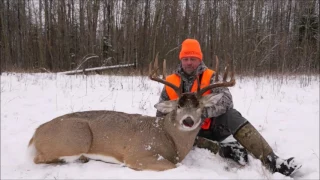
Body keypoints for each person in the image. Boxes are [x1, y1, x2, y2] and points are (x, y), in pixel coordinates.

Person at [155, 38, 301, 176]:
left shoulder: (211, 76)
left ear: (200, 59)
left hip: (211, 127)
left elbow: (226, 101)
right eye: (185, 59)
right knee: (177, 134)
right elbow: (161, 110)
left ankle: (273, 161)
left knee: (232, 115)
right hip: (187, 132)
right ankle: (225, 150)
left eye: (193, 59)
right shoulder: (170, 81)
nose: (189, 63)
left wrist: (200, 113)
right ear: (181, 60)